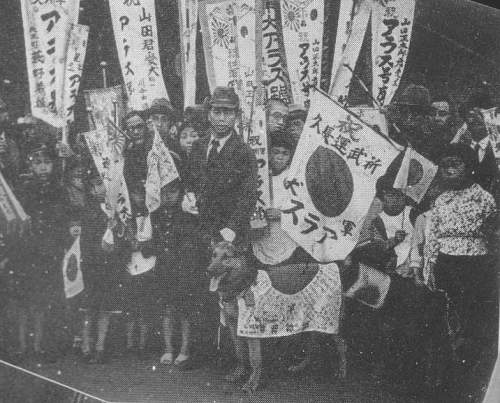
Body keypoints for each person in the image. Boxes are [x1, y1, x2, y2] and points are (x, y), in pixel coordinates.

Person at [424, 144, 497, 402]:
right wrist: (429, 267)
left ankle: (469, 383)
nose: (450, 170)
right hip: (446, 264)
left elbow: (491, 235)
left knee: (471, 324)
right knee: (446, 322)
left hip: (475, 266)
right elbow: (432, 237)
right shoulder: (440, 199)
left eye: (456, 164)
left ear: (469, 167)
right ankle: (445, 380)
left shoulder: (484, 198)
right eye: (445, 166)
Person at [11, 143, 67, 361]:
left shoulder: (58, 188)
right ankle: (22, 345)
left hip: (48, 250)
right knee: (24, 300)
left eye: (47, 162)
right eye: (38, 163)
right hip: (27, 250)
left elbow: (61, 218)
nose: (43, 168)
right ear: (31, 166)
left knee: (42, 301)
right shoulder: (24, 188)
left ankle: (39, 345)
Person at [185, 86, 258, 247]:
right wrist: (188, 196)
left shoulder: (244, 153)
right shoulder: (198, 146)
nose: (222, 119)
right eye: (217, 112)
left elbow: (248, 197)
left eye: (228, 113)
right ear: (209, 114)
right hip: (198, 232)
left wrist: (231, 229)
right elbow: (189, 180)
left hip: (229, 237)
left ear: (237, 116)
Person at [78, 169, 124, 364]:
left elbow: (123, 238)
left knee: (105, 307)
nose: (102, 187)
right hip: (91, 263)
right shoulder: (89, 210)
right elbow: (84, 239)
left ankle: (100, 346)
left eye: (105, 182)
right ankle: (86, 344)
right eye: (97, 184)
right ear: (90, 188)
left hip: (109, 264)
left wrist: (116, 234)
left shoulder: (118, 209)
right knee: (89, 307)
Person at [0, 97, 21, 184]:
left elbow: (15, 172)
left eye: (4, 111)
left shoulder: (11, 143)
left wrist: (5, 157)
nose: (5, 115)